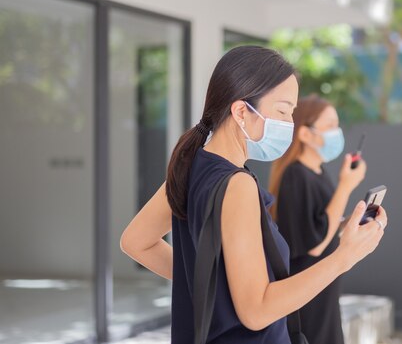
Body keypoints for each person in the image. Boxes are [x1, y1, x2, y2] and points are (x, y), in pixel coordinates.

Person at [119, 46, 387, 344]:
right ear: (242, 111)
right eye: (283, 111)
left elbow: (136, 241)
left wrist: (211, 288)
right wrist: (344, 257)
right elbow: (256, 312)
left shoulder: (190, 165)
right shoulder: (238, 185)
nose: (289, 123)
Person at [268, 94, 367, 344]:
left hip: (324, 289)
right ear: (304, 134)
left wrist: (350, 222)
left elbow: (324, 224)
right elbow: (315, 243)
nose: (337, 132)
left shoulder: (319, 172)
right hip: (307, 292)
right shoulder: (295, 175)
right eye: (330, 126)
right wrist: (346, 186)